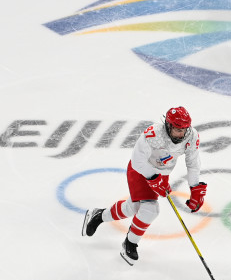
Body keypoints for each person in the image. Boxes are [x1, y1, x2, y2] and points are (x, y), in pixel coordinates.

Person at [81, 107, 207, 265]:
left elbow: (193, 163)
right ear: (168, 125)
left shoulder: (191, 136)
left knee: (133, 207)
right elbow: (137, 161)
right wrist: (153, 178)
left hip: (162, 174)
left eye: (183, 130)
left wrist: (195, 187)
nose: (181, 134)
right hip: (140, 170)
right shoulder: (153, 134)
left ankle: (99, 215)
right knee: (149, 209)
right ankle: (130, 243)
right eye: (177, 129)